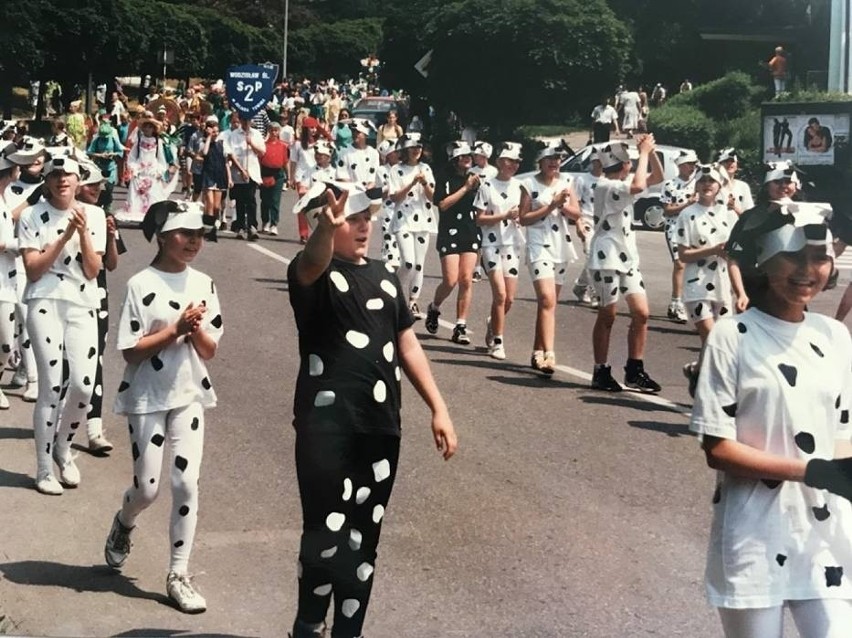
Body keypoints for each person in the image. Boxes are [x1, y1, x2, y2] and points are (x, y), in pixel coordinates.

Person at [286, 181, 457, 638]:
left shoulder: (384, 277)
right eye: (351, 219)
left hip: (381, 428)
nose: (362, 226)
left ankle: (348, 632)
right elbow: (312, 261)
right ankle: (307, 624)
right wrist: (327, 226)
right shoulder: (312, 276)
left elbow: (407, 343)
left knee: (363, 539)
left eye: (366, 218)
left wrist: (438, 408)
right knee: (325, 534)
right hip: (326, 428)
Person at [690, 202, 852, 638]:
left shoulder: (834, 336)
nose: (807, 270)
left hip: (824, 538)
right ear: (763, 259)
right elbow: (718, 449)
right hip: (754, 535)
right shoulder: (731, 337)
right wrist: (815, 471)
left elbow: (841, 433)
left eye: (818, 256)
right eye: (793, 256)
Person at [103, 200, 221, 614]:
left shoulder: (204, 283)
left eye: (200, 234)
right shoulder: (140, 284)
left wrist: (194, 331)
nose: (194, 241)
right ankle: (125, 521)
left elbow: (209, 350)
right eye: (186, 233)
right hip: (147, 396)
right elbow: (131, 353)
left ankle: (178, 573)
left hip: (188, 393)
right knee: (147, 489)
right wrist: (175, 329)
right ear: (163, 235)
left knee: (186, 484)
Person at [18, 155, 106, 494]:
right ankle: (42, 468)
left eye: (67, 174)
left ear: (78, 178)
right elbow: (34, 268)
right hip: (45, 300)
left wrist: (82, 233)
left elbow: (93, 270)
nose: (61, 180)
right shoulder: (32, 214)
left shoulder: (95, 214)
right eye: (54, 174)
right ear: (48, 180)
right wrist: (64, 233)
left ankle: (63, 447)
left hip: (82, 301)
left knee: (84, 385)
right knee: (51, 386)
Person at [587, 138, 664, 393]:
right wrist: (643, 154)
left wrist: (650, 154)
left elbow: (657, 178)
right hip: (606, 256)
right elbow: (640, 183)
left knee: (641, 313)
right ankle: (601, 369)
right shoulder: (607, 186)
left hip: (627, 256)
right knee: (607, 314)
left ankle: (634, 368)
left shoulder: (621, 183)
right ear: (626, 164)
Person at [675, 165, 742, 396]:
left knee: (718, 341)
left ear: (720, 185)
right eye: (702, 180)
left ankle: (697, 371)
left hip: (722, 285)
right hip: (697, 284)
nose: (706, 184)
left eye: (711, 181)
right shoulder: (687, 214)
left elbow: (735, 255)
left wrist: (740, 292)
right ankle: (714, 393)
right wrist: (712, 250)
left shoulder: (729, 215)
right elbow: (683, 255)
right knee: (712, 338)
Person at [518, 140, 580, 375]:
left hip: (560, 246)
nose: (555, 163)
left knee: (549, 304)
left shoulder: (567, 182)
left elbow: (576, 212)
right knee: (546, 299)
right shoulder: (528, 184)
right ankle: (550, 354)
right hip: (538, 244)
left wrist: (562, 206)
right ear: (541, 162)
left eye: (558, 159)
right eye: (550, 159)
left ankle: (537, 352)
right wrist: (550, 206)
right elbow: (523, 218)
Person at [75, 157, 124, 453]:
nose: (96, 188)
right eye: (91, 183)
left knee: (96, 360)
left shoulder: (102, 216)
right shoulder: (55, 214)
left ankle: (94, 428)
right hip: (63, 296)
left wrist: (111, 235)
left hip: (97, 296)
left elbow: (113, 265)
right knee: (68, 366)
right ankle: (57, 427)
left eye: (99, 184)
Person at [424, 141, 481, 345]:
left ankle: (460, 325)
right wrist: (465, 188)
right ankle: (434, 306)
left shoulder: (476, 179)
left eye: (469, 156)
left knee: (466, 278)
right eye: (463, 156)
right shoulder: (445, 178)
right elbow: (443, 204)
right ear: (455, 159)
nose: (468, 159)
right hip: (449, 231)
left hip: (470, 231)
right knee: (450, 280)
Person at [473, 142, 525, 361]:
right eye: (509, 161)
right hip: (491, 244)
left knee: (509, 299)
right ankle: (498, 342)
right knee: (500, 294)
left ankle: (493, 322)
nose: (512, 165)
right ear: (499, 162)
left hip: (512, 244)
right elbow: (479, 218)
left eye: (516, 162)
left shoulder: (520, 187)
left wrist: (519, 217)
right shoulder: (487, 186)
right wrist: (503, 216)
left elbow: (525, 215)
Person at [0, 142, 33, 408]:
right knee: (4, 338)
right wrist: (21, 245)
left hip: (8, 278)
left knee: (6, 340)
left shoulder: (5, 197)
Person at [389, 133, 436, 318]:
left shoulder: (426, 169)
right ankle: (396, 292)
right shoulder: (396, 170)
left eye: (419, 147)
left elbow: (433, 198)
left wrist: (424, 183)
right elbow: (394, 197)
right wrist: (411, 183)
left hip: (423, 219)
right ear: (405, 150)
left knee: (418, 264)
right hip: (403, 219)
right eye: (412, 147)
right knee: (407, 262)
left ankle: (413, 301)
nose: (416, 151)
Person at [660, 149, 699, 323]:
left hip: (695, 226)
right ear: (680, 166)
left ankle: (692, 301)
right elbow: (667, 211)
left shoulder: (698, 183)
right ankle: (676, 303)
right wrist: (686, 204)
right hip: (675, 228)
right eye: (689, 164)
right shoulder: (670, 185)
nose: (692, 168)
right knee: (680, 263)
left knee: (695, 264)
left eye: (694, 164)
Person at [121, 116, 178, 224]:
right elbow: (133, 156)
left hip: (152, 170)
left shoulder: (158, 141)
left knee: (152, 194)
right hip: (140, 169)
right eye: (145, 127)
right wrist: (133, 167)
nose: (147, 129)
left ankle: (151, 216)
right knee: (138, 194)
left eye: (150, 127)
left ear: (153, 129)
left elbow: (161, 158)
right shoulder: (139, 140)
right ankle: (139, 216)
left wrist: (160, 171)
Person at [224, 113, 266, 241]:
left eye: (248, 120)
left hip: (252, 171)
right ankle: (240, 226)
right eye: (244, 120)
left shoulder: (256, 134)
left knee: (251, 200)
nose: (246, 122)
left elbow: (262, 152)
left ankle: (252, 225)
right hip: (238, 172)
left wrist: (251, 143)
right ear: (240, 120)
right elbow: (230, 154)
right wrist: (241, 170)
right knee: (240, 200)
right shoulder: (233, 135)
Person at [572, 150, 603, 306]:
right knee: (591, 255)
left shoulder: (607, 180)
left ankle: (580, 285)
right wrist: (579, 222)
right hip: (587, 219)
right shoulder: (582, 180)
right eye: (597, 161)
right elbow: (576, 202)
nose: (600, 164)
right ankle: (595, 291)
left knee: (598, 256)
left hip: (603, 222)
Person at [259, 121, 289, 236]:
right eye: (271, 130)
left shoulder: (282, 146)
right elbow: (259, 159)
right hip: (265, 173)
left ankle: (274, 224)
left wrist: (288, 177)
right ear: (268, 131)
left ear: (279, 132)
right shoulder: (264, 145)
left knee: (275, 200)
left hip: (278, 174)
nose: (274, 132)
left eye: (276, 130)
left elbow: (285, 162)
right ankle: (265, 222)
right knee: (265, 199)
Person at [376, 140, 401, 270]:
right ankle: (389, 267)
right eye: (394, 152)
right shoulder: (381, 171)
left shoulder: (402, 168)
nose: (397, 154)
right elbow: (380, 193)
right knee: (389, 239)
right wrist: (389, 188)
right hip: (388, 209)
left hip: (402, 209)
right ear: (388, 156)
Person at [716, 148, 754, 216]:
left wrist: (734, 208)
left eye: (732, 160)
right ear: (719, 164)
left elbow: (749, 216)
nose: (729, 163)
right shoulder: (713, 186)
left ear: (737, 165)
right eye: (726, 161)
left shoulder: (743, 186)